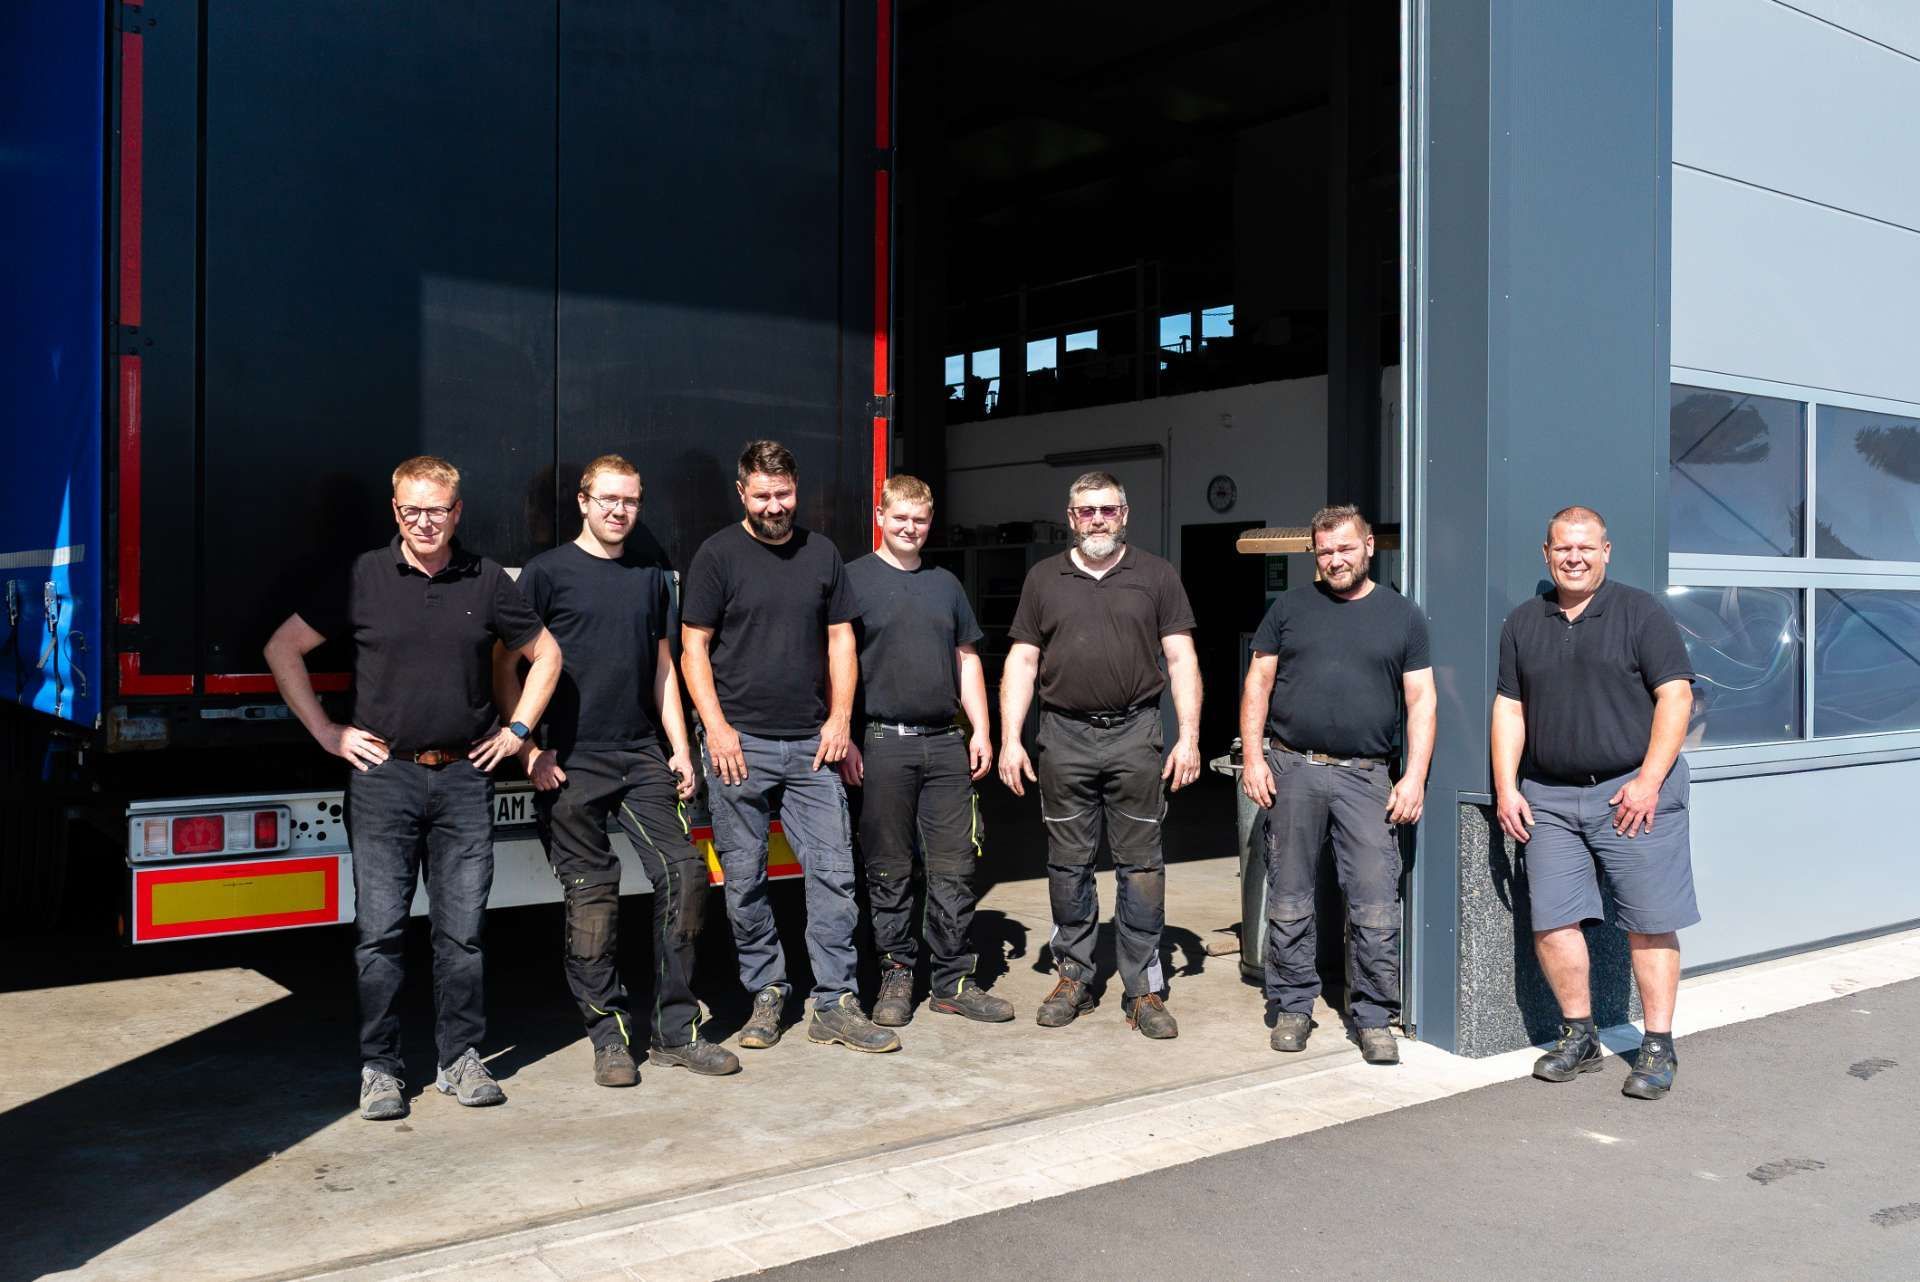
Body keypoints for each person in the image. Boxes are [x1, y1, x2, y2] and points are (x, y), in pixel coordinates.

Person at [264, 455, 561, 1121]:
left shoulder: (485, 580)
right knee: (380, 933)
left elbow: (548, 655)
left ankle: (460, 1057)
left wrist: (517, 731)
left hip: (464, 779)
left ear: (458, 513)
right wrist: (328, 733)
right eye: (411, 510)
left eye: (437, 510)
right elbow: (282, 648)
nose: (424, 521)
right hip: (382, 781)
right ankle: (380, 1068)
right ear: (395, 511)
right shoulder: (362, 577)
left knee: (462, 933)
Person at [500, 455, 741, 1088]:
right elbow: (504, 667)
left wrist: (681, 746)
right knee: (593, 902)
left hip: (640, 754)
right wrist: (526, 748)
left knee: (686, 876)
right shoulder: (547, 574)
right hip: (569, 758)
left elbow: (662, 666)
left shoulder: (652, 577)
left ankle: (674, 1033)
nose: (618, 511)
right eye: (607, 499)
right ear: (583, 502)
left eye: (629, 501)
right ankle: (609, 1037)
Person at [680, 440, 899, 1054]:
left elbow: (841, 645)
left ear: (795, 489)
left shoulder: (822, 553)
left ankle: (835, 1002)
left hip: (811, 745)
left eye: (784, 494)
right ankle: (768, 993)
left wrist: (839, 722)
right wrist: (716, 729)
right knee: (745, 879)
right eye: (763, 495)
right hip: (738, 746)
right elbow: (693, 647)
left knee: (833, 876)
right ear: (742, 493)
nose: (775, 506)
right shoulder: (717, 555)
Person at [1492, 505, 1699, 1101]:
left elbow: (1676, 698)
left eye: (1586, 547)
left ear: (1606, 551)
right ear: (1546, 553)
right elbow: (1510, 708)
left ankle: (1657, 1046)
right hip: (1550, 798)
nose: (1574, 557)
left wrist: (1650, 781)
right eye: (1563, 548)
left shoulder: (1640, 613)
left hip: (1632, 792)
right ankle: (1579, 1037)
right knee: (1554, 919)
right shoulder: (1523, 622)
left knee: (1651, 923)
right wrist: (1508, 786)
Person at [997, 471, 1201, 1039]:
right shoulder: (1044, 578)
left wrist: (1189, 735)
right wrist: (1011, 737)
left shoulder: (1156, 575)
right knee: (1068, 865)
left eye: (1106, 510)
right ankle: (1074, 978)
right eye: (1085, 511)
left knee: (1141, 866)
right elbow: (1022, 662)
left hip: (1136, 734)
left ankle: (1143, 989)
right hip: (1063, 736)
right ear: (1070, 517)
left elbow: (1181, 659)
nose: (1096, 520)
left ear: (1125, 513)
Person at [1237, 505, 1434, 1066]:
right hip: (1293, 767)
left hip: (1368, 776)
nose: (1335, 559)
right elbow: (1258, 683)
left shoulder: (1402, 616)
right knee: (1291, 897)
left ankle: (1373, 1017)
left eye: (1345, 548)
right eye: (1324, 551)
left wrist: (1414, 775)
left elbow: (1421, 700)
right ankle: (1294, 1006)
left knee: (1374, 902)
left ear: (1368, 546)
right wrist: (1254, 757)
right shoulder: (1290, 609)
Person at [838, 474, 1012, 1027]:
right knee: (888, 868)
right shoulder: (852, 581)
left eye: (920, 520)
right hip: (881, 744)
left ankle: (953, 979)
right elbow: (835, 664)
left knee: (954, 867)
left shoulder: (945, 585)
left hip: (945, 745)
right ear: (881, 517)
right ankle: (895, 973)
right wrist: (843, 735)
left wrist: (982, 731)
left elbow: (967, 661)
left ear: (929, 523)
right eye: (900, 518)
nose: (910, 528)